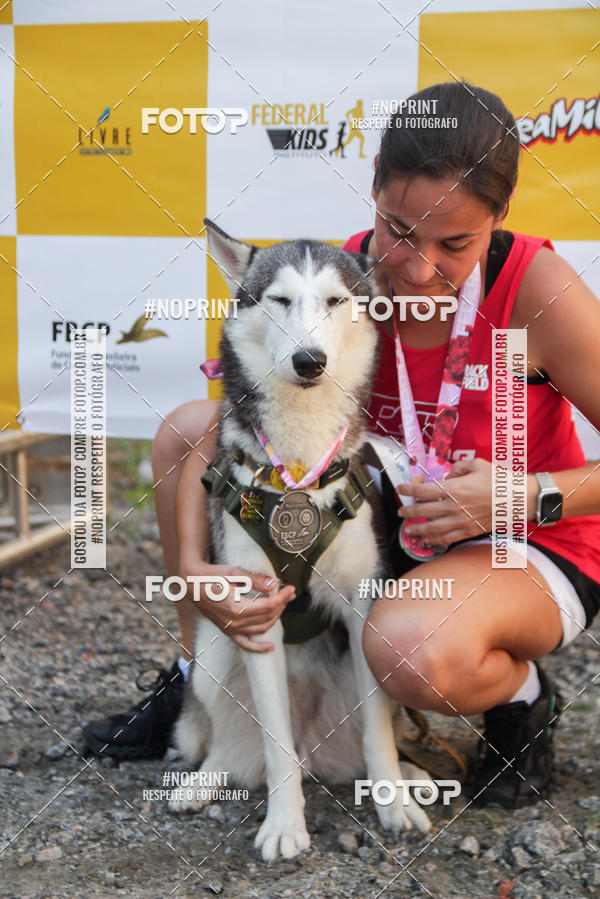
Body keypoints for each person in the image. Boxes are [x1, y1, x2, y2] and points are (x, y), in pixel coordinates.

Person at [83, 82, 600, 811]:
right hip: (402, 524)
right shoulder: (341, 277)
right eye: (397, 230)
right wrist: (195, 569)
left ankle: (524, 700)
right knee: (180, 436)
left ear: (500, 216)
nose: (416, 268)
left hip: (525, 535)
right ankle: (199, 675)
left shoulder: (536, 288)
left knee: (408, 651)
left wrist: (530, 491)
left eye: (454, 243)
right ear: (374, 190)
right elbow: (226, 423)